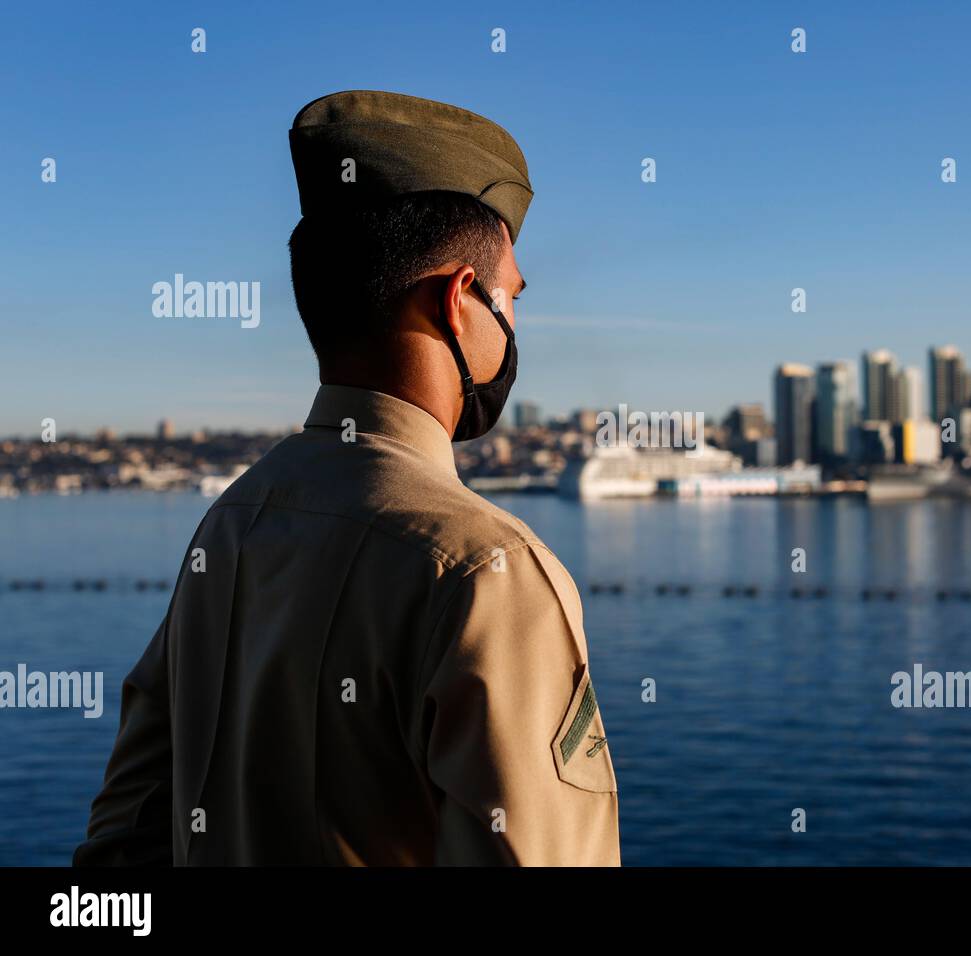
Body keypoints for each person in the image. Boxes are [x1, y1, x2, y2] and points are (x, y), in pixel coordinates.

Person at [73, 90, 620, 866]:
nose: (514, 326)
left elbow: (121, 844)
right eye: (511, 300)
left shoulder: (229, 525)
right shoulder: (485, 570)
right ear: (460, 300)